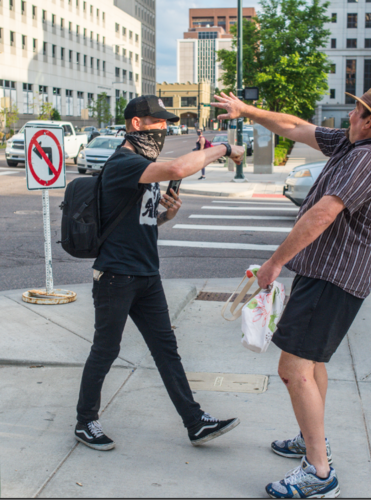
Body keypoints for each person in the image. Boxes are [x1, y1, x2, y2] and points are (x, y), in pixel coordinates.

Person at [212, 85, 371, 499]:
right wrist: (245, 109)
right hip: (329, 274)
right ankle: (310, 437)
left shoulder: (369, 160)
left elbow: (323, 213)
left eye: (356, 111)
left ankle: (319, 473)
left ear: (368, 119)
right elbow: (295, 128)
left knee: (293, 369)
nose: (349, 116)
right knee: (313, 363)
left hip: (333, 279)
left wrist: (275, 261)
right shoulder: (356, 146)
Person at [74, 95, 245, 451]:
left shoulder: (142, 163)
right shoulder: (123, 162)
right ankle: (85, 421)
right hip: (116, 276)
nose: (164, 128)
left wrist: (169, 214)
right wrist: (224, 148)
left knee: (167, 350)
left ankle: (195, 422)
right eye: (158, 122)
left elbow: (143, 222)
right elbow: (180, 168)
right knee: (106, 350)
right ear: (136, 124)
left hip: (147, 275)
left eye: (166, 123)